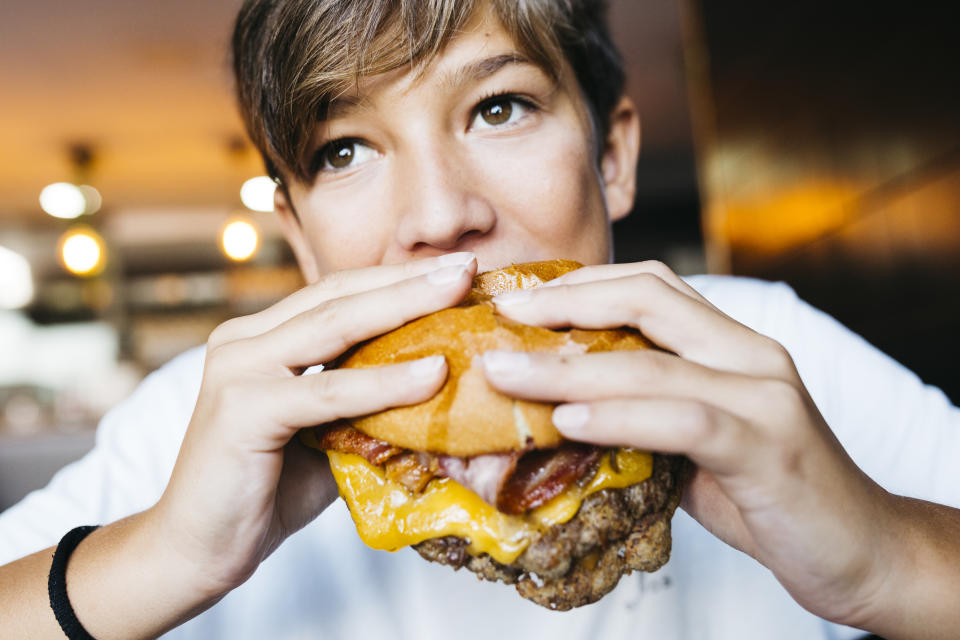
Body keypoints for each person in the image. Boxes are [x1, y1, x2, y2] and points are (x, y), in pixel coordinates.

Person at [1, 1, 959, 638]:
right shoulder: (198, 422)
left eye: (499, 106)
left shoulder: (761, 352)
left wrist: (884, 558)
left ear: (612, 158)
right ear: (295, 235)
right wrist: (165, 553)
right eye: (343, 152)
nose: (438, 215)